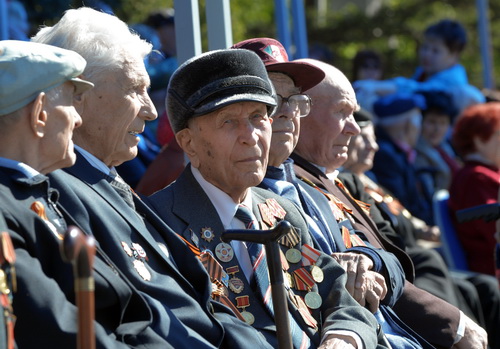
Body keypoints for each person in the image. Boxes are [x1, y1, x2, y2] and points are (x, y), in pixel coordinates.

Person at [34, 7, 273, 349]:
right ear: (78, 96)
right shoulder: (59, 192)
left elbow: (199, 308)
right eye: (135, 89)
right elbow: (129, 320)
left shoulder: (105, 184)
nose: (149, 110)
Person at [146, 48, 384, 349]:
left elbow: (341, 299)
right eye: (228, 121)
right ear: (189, 143)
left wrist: (344, 338)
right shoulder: (159, 224)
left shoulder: (280, 211)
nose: (252, 135)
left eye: (259, 116)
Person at [233, 37, 434, 349]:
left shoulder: (312, 191)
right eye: (272, 99)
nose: (287, 112)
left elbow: (390, 257)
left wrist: (366, 260)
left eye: (295, 100)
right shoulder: (233, 200)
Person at [289, 58, 488, 349]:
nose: (355, 131)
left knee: (480, 290)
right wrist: (452, 326)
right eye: (341, 113)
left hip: (389, 312)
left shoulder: (325, 177)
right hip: (369, 326)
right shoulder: (290, 184)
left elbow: (385, 250)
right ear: (300, 115)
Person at [0, 39, 177, 348]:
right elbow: (56, 327)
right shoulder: (10, 203)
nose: (79, 118)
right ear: (40, 114)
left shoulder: (34, 191)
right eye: (71, 101)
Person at [354, 19, 485, 115]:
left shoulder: (455, 84)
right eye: (425, 47)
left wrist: (380, 86)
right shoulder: (424, 73)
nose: (427, 54)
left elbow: (422, 90)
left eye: (435, 51)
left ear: (454, 55)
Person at [448, 102, 500, 276]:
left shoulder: (481, 174)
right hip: (490, 272)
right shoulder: (475, 178)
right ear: (479, 139)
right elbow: (495, 231)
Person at [370, 93, 434, 225]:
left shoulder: (396, 152)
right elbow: (401, 203)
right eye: (418, 122)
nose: (419, 129)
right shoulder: (385, 155)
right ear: (408, 126)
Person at [414, 91, 460, 206]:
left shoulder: (446, 148)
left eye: (443, 123)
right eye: (431, 122)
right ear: (420, 121)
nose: (437, 129)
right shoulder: (415, 153)